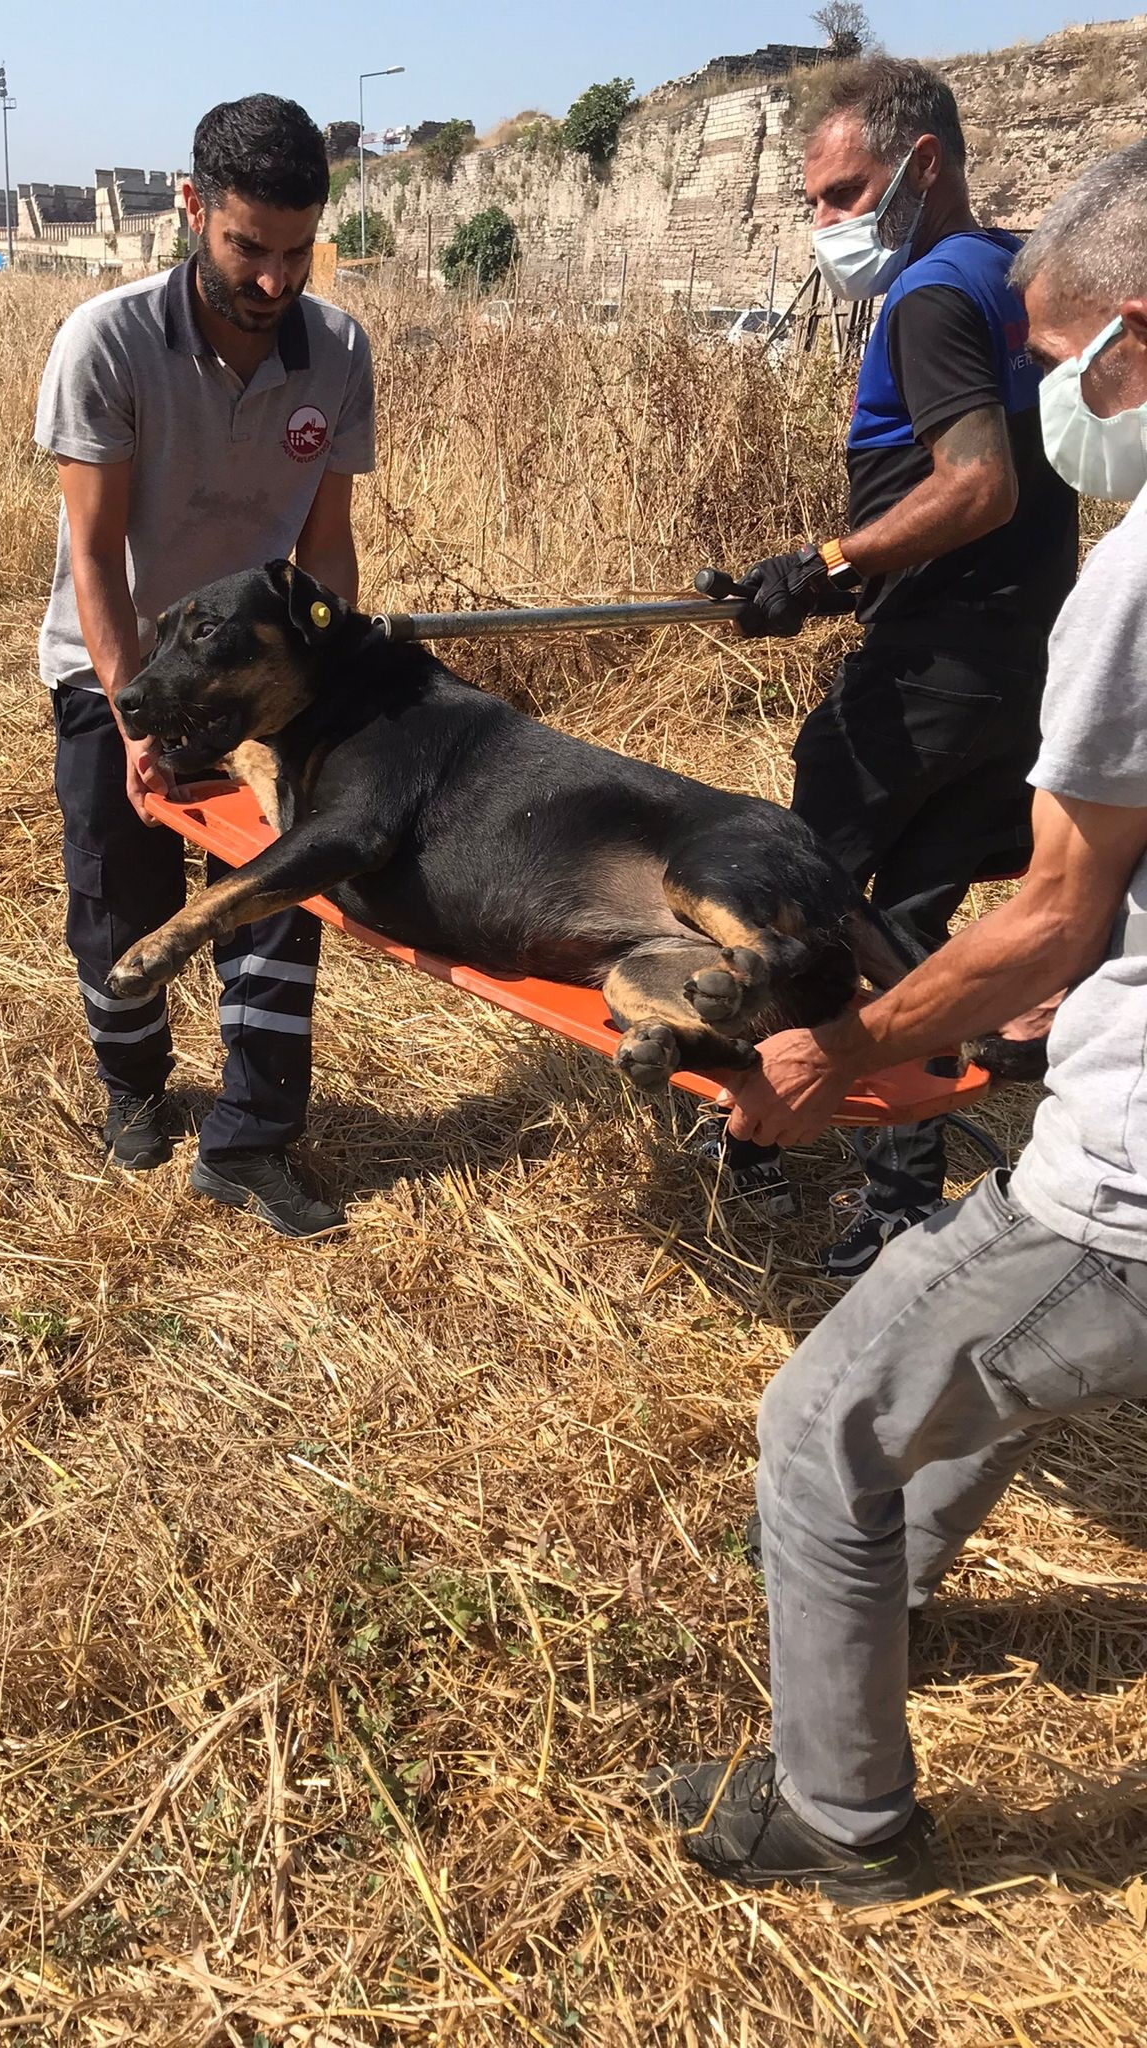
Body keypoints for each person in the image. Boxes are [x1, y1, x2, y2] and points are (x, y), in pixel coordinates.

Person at [649, 139, 1147, 1905]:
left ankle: (841, 1820)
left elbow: (1051, 913)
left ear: (1136, 338)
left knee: (819, 1424)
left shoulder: (1133, 579)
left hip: (1131, 1188)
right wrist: (1022, 1034)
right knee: (993, 1355)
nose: (1056, 402)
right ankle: (890, 1590)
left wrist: (843, 1051)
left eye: (1070, 356)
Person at [704, 58, 1078, 1278]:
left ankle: (749, 1132)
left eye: (842, 192)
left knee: (780, 896)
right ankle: (900, 1194)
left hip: (925, 675)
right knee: (906, 927)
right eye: (814, 200)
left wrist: (821, 562)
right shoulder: (1024, 278)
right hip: (1020, 668)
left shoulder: (925, 294)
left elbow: (978, 485)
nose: (826, 224)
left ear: (924, 167)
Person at [35, 95, 374, 1235]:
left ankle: (250, 1141)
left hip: (259, 678)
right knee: (120, 893)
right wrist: (141, 723)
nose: (274, 281)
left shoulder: (337, 352)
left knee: (281, 894)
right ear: (193, 210)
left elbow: (324, 541)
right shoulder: (109, 341)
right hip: (117, 662)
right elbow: (94, 549)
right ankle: (133, 1089)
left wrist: (333, 687)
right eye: (247, 249)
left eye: (297, 252)